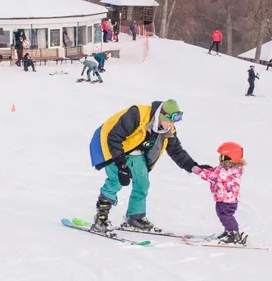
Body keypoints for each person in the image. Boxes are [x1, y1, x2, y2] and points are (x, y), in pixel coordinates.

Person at [89, 99, 212, 232]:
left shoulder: (167, 129)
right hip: (114, 149)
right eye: (170, 121)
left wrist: (194, 167)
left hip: (137, 154)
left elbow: (176, 150)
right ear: (162, 115)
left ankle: (135, 218)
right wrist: (121, 166)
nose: (172, 125)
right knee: (115, 182)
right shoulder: (137, 114)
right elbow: (114, 137)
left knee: (142, 184)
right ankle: (101, 219)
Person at [192, 142, 247, 244]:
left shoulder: (228, 171)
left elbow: (213, 176)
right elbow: (216, 172)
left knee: (225, 215)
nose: (219, 159)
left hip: (226, 199)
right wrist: (208, 168)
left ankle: (233, 234)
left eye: (222, 157)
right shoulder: (230, 169)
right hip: (225, 198)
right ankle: (228, 231)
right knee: (223, 215)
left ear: (229, 158)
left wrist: (198, 170)